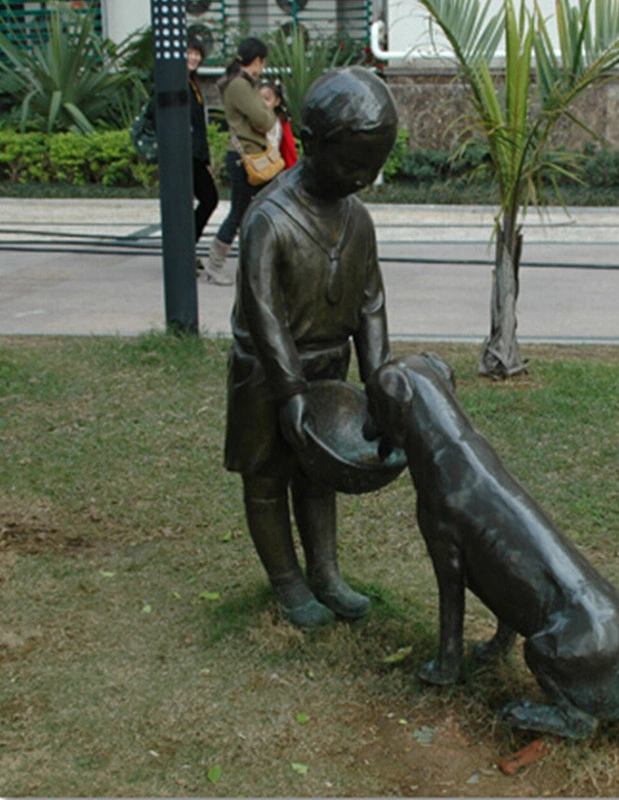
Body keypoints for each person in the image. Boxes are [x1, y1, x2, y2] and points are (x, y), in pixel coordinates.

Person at [225, 66, 398, 629]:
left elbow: (370, 305)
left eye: (373, 166)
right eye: (352, 164)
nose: (363, 179)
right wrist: (290, 390)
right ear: (315, 144)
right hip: (266, 372)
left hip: (328, 363)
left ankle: (325, 572)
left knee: (318, 475)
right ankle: (288, 582)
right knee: (268, 476)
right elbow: (263, 311)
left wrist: (378, 384)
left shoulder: (359, 222)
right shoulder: (269, 220)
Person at [202, 37, 273, 286]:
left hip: (251, 156)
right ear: (256, 61)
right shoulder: (241, 86)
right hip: (245, 157)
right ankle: (214, 264)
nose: (262, 68)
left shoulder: (244, 84)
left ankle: (255, 262)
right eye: (262, 62)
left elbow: (263, 117)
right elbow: (264, 119)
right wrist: (266, 116)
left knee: (256, 210)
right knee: (240, 212)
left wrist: (264, 116)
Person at [187, 36, 219, 272]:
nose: (194, 58)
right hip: (183, 156)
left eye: (197, 54)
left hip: (195, 156)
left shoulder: (192, 83)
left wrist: (206, 160)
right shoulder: (176, 83)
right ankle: (185, 251)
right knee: (206, 199)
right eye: (189, 53)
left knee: (209, 198)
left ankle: (187, 249)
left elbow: (199, 127)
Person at [258, 79, 298, 170]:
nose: (262, 103)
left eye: (267, 99)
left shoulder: (281, 122)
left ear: (277, 101)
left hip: (274, 167)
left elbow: (288, 148)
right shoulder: (251, 120)